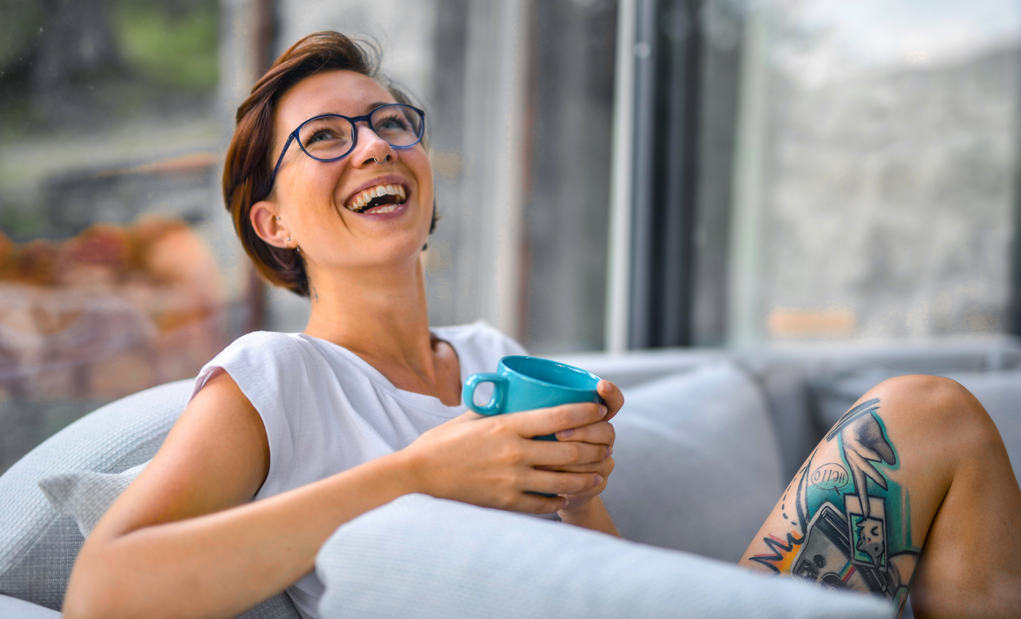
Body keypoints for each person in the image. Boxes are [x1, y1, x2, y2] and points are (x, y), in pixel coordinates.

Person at [64, 31, 1021, 619]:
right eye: (324, 137)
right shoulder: (274, 377)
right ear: (271, 222)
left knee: (930, 412)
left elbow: (594, 572)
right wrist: (415, 475)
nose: (373, 145)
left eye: (393, 123)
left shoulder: (495, 358)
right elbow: (103, 594)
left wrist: (580, 481)